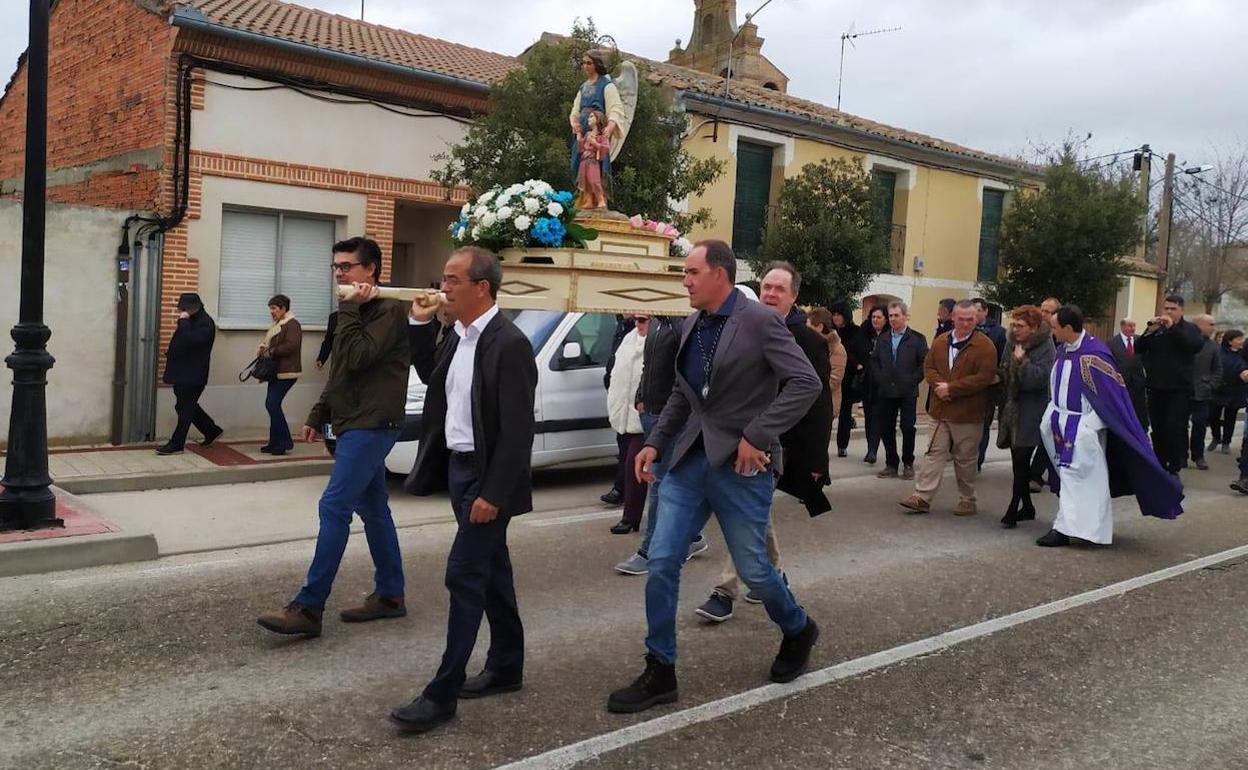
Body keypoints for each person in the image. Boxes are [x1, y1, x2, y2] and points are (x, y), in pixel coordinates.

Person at [606, 240, 821, 714]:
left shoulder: (760, 321)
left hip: (742, 468)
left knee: (754, 571)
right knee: (661, 560)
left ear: (719, 274)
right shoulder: (691, 325)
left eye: (691, 272)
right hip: (688, 463)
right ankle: (660, 668)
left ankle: (797, 626)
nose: (684, 280)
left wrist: (757, 435)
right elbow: (685, 396)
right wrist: (654, 443)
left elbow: (806, 382)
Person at [391, 246, 538, 733]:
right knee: (492, 570)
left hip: (488, 475)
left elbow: (519, 431)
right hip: (458, 470)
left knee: (464, 574)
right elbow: (432, 382)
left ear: (482, 287)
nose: (443, 286)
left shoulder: (509, 343)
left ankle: (442, 693)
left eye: (453, 279)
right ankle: (507, 665)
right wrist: (417, 325)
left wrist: (492, 494)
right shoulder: (457, 336)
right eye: (443, 277)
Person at [256, 237, 409, 637]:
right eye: (335, 267)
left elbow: (360, 356)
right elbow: (342, 370)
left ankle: (309, 607)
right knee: (373, 508)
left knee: (334, 506)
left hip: (373, 422)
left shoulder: (388, 311)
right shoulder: (349, 313)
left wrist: (350, 308)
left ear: (370, 270)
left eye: (347, 266)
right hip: (350, 419)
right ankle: (391, 594)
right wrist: (318, 412)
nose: (339, 273)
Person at [695, 262, 833, 623]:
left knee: (741, 513)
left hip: (775, 446)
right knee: (754, 516)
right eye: (766, 287)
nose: (771, 294)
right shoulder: (740, 327)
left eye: (779, 289)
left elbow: (817, 403)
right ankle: (775, 576)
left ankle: (724, 591)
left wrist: (818, 461)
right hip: (737, 442)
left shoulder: (810, 342)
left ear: (794, 297)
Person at [1036, 305, 1184, 547]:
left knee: (1083, 481)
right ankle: (1070, 527)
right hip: (1059, 427)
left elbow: (1111, 400)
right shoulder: (1062, 350)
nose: (1051, 331)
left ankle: (1074, 530)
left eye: (1054, 327)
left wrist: (1086, 427)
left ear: (1068, 328)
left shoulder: (1094, 355)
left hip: (1082, 430)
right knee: (1068, 481)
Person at [614, 315, 709, 576]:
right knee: (666, 483)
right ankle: (691, 537)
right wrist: (640, 396)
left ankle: (650, 550)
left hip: (671, 419)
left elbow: (688, 377)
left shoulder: (683, 325)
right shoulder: (658, 323)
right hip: (652, 415)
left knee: (661, 485)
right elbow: (648, 366)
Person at [898, 301, 998, 517]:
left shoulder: (985, 346)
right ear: (953, 318)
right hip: (940, 410)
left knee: (965, 459)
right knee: (934, 453)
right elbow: (929, 367)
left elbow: (985, 377)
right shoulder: (941, 341)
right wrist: (938, 386)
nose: (965, 323)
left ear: (976, 319)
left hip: (968, 413)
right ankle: (922, 496)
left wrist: (952, 388)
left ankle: (967, 499)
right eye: (961, 319)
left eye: (970, 319)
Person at [996, 305, 1055, 528]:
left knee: (1021, 460)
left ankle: (1013, 509)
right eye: (1014, 324)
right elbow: (1004, 369)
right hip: (1012, 409)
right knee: (1017, 462)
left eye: (1020, 326)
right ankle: (1027, 507)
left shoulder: (1046, 345)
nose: (1015, 329)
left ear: (1033, 327)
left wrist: (1021, 361)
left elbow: (1039, 380)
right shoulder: (1012, 342)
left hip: (1032, 410)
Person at [1136, 294, 1204, 474]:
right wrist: (1148, 331)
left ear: (1181, 310)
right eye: (1166, 308)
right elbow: (1138, 348)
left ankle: (1174, 467)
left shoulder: (1189, 329)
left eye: (1173, 309)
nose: (1168, 312)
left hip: (1179, 390)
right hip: (1156, 388)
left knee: (1173, 428)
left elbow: (1194, 346)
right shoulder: (1157, 329)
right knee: (1157, 428)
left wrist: (1173, 328)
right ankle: (1159, 465)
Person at [157, 292, 223, 455]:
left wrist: (183, 321)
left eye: (184, 309)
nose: (181, 311)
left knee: (185, 409)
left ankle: (177, 444)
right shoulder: (192, 320)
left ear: (194, 308)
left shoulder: (205, 323)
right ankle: (211, 430)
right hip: (182, 372)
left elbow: (191, 340)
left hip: (193, 375)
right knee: (184, 406)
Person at [869, 301, 928, 480]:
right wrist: (881, 378)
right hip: (886, 391)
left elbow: (924, 363)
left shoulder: (917, 339)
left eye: (896, 315)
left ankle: (908, 463)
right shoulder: (883, 338)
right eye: (891, 315)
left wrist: (912, 380)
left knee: (908, 427)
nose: (893, 319)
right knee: (886, 428)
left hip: (908, 391)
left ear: (905, 316)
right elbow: (875, 361)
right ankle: (891, 463)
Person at [607, 315, 649, 534]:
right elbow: (617, 376)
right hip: (626, 417)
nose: (637, 325)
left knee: (637, 465)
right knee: (630, 464)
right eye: (637, 320)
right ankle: (631, 517)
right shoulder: (628, 339)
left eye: (643, 320)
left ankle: (631, 518)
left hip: (648, 417)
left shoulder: (661, 341)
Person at [257, 294, 303, 456]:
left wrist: (271, 351)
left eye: (274, 308)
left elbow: (291, 345)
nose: (271, 312)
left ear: (284, 308)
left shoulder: (292, 324)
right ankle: (275, 442)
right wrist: (264, 348)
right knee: (272, 405)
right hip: (276, 371)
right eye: (270, 308)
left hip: (287, 372)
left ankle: (284, 442)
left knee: (272, 404)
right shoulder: (279, 324)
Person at [600, 314, 637, 506]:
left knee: (630, 450)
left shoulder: (638, 327)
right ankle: (622, 490)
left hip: (633, 399)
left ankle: (621, 490)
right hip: (620, 396)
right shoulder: (622, 325)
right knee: (623, 446)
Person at [971, 298, 1006, 470]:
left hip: (988, 387)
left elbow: (1003, 359)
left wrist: (997, 376)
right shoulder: (965, 330)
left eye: (977, 310)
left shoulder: (999, 332)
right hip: (969, 385)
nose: (974, 314)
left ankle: (978, 459)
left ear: (985, 312)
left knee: (983, 424)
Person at [1186, 315, 1222, 471]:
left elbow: (1218, 368)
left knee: (1200, 425)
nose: (1213, 327)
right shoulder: (1186, 342)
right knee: (1180, 425)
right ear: (1199, 325)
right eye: (1211, 324)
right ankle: (1181, 455)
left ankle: (1198, 455)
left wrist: (1211, 384)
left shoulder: (1213, 346)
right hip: (1184, 389)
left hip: (1203, 391)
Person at [854, 305, 887, 464]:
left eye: (879, 317)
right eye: (873, 317)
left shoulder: (889, 335)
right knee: (869, 417)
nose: (875, 320)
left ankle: (873, 450)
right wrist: (858, 364)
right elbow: (854, 350)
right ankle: (870, 447)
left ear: (885, 319)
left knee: (878, 417)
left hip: (883, 383)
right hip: (867, 382)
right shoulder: (864, 332)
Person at [829, 301, 861, 457]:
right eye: (833, 314)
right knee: (827, 413)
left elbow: (857, 353)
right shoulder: (828, 332)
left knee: (845, 413)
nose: (836, 318)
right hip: (830, 377)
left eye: (838, 315)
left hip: (848, 378)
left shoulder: (856, 332)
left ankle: (842, 445)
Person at [1210, 330, 1247, 455]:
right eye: (1238, 339)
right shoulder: (1219, 352)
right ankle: (1216, 437)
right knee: (1213, 415)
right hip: (1219, 389)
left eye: (1242, 339)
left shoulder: (1243, 354)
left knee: (1230, 418)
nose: (1241, 341)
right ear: (1230, 341)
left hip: (1236, 389)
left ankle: (1226, 442)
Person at [807, 307, 847, 422]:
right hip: (812, 401)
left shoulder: (837, 349)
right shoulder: (813, 344)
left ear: (819, 327)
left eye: (810, 327)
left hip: (826, 403)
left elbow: (834, 379)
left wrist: (809, 387)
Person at [1108, 319, 1148, 432]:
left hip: (1138, 385)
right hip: (1121, 384)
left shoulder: (1139, 341)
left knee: (1138, 411)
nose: (1132, 329)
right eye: (1130, 326)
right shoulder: (1112, 343)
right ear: (1122, 326)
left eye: (1134, 326)